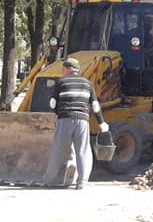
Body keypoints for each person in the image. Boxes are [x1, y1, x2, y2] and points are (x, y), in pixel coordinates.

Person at [42, 57, 109, 190]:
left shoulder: (61, 82)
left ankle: (50, 180)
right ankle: (82, 182)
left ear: (68, 69)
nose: (62, 71)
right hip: (83, 121)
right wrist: (101, 123)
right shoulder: (88, 84)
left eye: (63, 69)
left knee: (58, 149)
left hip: (65, 119)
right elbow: (95, 106)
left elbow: (52, 103)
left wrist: (58, 113)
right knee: (83, 150)